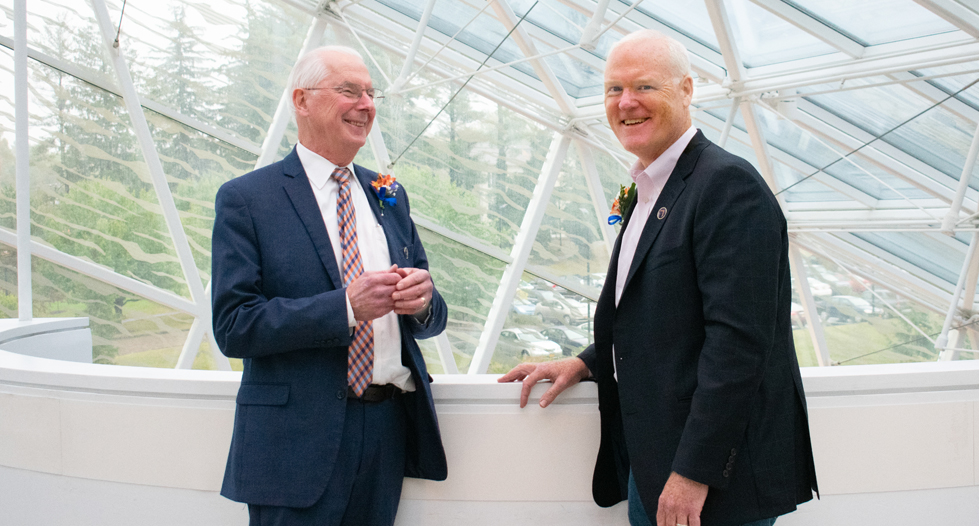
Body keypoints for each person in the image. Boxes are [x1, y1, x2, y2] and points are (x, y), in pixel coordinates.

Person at [500, 30, 817, 526]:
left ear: (686, 90)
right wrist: (587, 362)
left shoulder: (727, 187)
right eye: (613, 89)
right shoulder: (652, 188)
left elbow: (738, 345)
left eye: (645, 87)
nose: (626, 103)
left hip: (709, 482)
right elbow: (660, 314)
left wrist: (694, 473)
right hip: (655, 462)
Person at [211, 46, 447, 526]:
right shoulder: (247, 199)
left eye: (370, 93)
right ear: (302, 100)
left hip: (386, 430)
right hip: (293, 443)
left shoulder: (389, 195)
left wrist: (422, 301)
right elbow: (234, 326)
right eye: (349, 91)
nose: (366, 104)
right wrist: (344, 307)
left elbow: (432, 317)